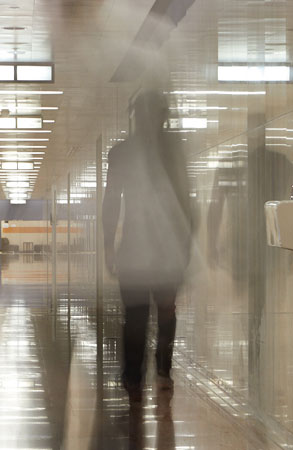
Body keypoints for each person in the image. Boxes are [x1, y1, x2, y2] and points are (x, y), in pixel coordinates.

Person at [102, 89, 195, 400]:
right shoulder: (170, 150)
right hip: (157, 249)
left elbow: (111, 204)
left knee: (139, 315)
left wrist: (109, 247)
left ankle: (136, 376)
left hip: (143, 250)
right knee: (160, 312)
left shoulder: (122, 152)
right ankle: (156, 371)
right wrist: (186, 246)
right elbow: (187, 200)